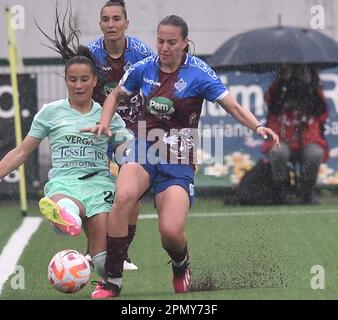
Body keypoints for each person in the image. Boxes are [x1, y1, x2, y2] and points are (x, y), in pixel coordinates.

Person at [81, 15, 279, 299]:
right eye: (160, 40)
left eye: (172, 42)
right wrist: (104, 121)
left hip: (178, 159)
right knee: (123, 198)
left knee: (171, 233)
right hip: (143, 148)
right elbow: (114, 96)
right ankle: (112, 280)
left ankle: (180, 263)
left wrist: (257, 125)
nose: (164, 47)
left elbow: (232, 106)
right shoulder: (143, 68)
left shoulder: (199, 73)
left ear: (185, 43)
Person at [0, 16, 133, 298]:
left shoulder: (106, 115)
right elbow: (22, 151)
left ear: (94, 81)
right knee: (66, 205)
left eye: (84, 80)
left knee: (102, 262)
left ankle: (104, 277)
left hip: (99, 186)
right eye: (72, 80)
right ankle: (65, 218)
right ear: (65, 80)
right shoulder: (51, 112)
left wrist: (138, 164)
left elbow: (130, 152)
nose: (78, 85)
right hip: (65, 184)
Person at [87, 0, 154, 271]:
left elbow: (155, 89)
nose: (111, 24)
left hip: (134, 127)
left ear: (127, 23)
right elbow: (79, 87)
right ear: (100, 24)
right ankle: (94, 248)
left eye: (117, 19)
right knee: (94, 189)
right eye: (106, 19)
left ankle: (122, 250)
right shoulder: (90, 54)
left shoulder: (142, 53)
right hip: (98, 125)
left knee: (131, 192)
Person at [262, 64, 329, 204]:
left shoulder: (313, 89)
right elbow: (272, 105)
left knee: (314, 153)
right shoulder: (278, 89)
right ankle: (281, 190)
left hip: (308, 139)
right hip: (283, 138)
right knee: (278, 152)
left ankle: (307, 190)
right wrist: (283, 81)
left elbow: (321, 111)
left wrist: (309, 84)